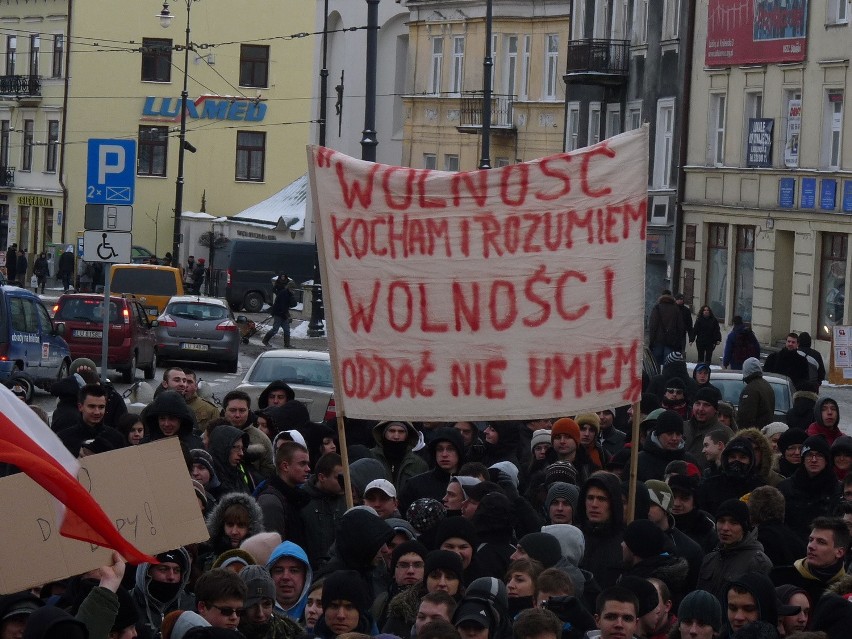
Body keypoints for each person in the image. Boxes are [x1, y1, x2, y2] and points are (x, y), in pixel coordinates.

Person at [695, 499, 772, 602]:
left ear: (744, 527)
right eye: (721, 521)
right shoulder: (709, 559)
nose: (725, 528)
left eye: (733, 522)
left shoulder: (758, 562)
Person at [777, 435, 842, 542]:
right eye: (809, 455)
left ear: (827, 460)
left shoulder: (838, 489)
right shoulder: (785, 487)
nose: (814, 460)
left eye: (819, 455)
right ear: (803, 459)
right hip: (791, 546)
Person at [771, 516, 849, 603]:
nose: (811, 546)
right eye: (811, 540)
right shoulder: (779, 577)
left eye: (821, 542)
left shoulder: (846, 590)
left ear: (839, 552)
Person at [130, 548, 195, 639]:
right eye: (163, 569)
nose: (171, 576)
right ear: (146, 573)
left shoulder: (191, 604)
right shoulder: (127, 603)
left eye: (177, 570)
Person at [256, 441, 311, 548]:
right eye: (302, 463)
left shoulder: (296, 498)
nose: (308, 469)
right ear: (285, 466)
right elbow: (271, 548)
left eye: (308, 464)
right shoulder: (271, 501)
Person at [300, 452, 347, 569]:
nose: (344, 483)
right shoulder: (302, 501)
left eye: (346, 477)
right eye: (339, 478)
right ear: (322, 477)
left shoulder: (347, 501)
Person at [238, 564, 303, 639]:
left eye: (266, 604)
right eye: (252, 605)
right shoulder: (228, 633)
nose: (260, 614)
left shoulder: (292, 634)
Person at [369, 421, 429, 496]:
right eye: (392, 431)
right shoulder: (369, 458)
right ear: (384, 433)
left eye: (401, 432)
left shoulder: (419, 464)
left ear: (407, 435)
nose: (396, 436)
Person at [266, 540, 313, 620]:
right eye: (279, 570)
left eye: (294, 571)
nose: (285, 577)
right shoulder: (257, 616)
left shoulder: (316, 616)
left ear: (305, 577)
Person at [648, 290, 686, 366]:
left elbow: (652, 326)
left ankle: (658, 377)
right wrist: (678, 342)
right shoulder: (676, 309)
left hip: (658, 341)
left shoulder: (657, 308)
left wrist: (651, 341)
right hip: (671, 342)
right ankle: (667, 377)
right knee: (669, 364)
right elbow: (681, 327)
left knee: (656, 364)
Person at [737, 357, 775, 430]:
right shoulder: (767, 385)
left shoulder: (751, 389)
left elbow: (745, 417)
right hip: (764, 432)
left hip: (753, 434)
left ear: (745, 370)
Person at [262, 275, 295, 348]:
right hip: (278, 313)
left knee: (287, 330)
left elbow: (293, 304)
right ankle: (265, 340)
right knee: (275, 329)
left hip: (283, 314)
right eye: (292, 289)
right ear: (289, 288)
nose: (294, 291)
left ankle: (287, 344)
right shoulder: (284, 294)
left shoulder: (288, 294)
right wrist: (287, 316)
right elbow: (282, 307)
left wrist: (292, 297)